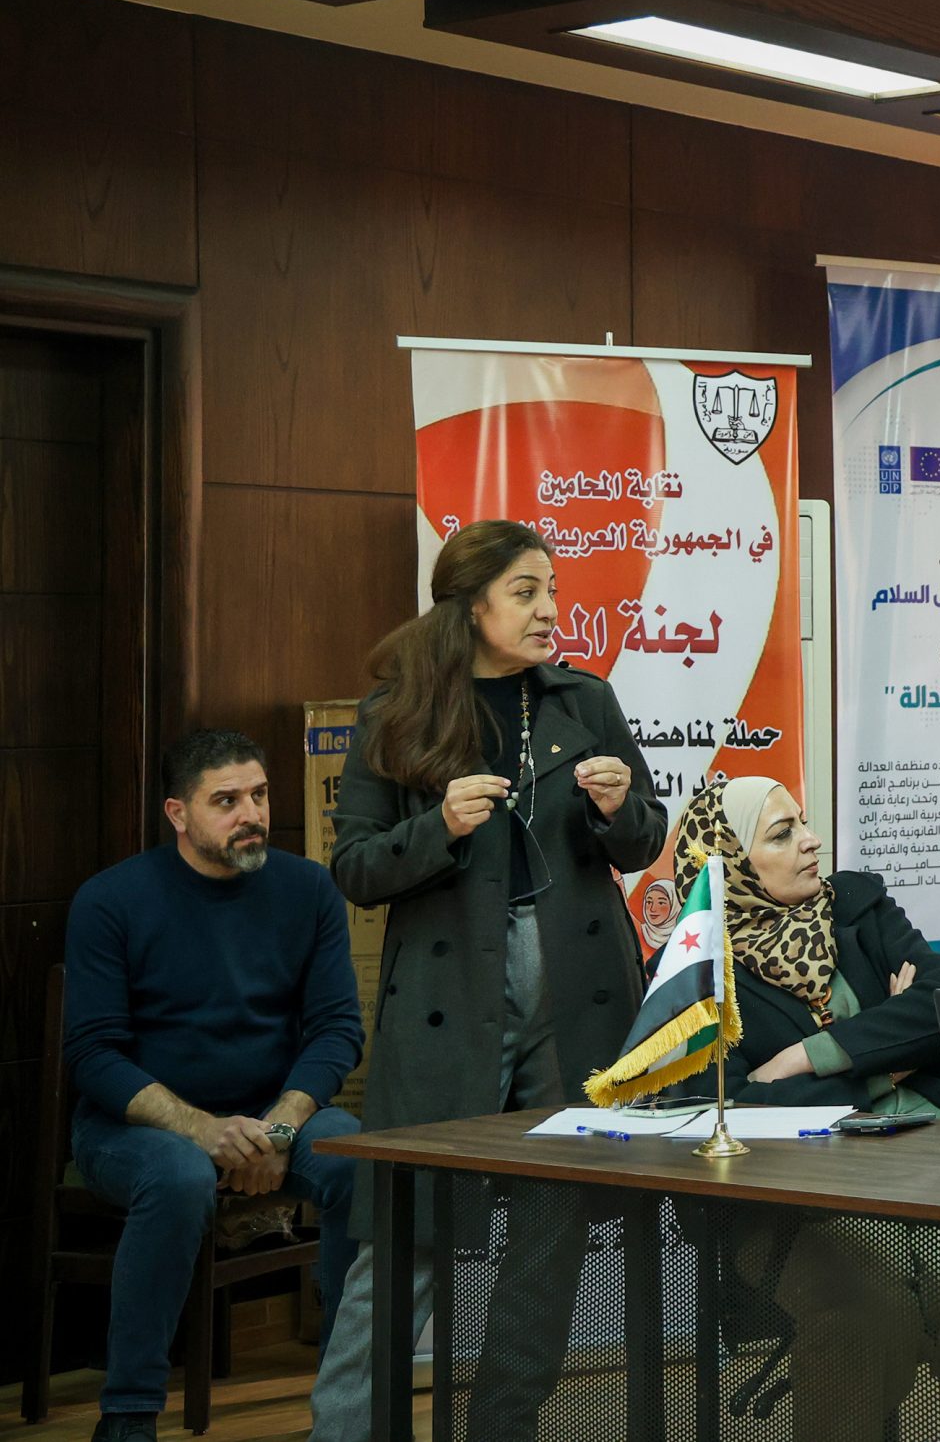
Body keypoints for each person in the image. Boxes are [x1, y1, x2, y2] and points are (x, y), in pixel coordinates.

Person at [305, 519, 667, 1442]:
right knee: (411, 1236)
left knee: (552, 1234)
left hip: (574, 996)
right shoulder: (397, 712)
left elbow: (644, 838)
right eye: (526, 592)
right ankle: (343, 1430)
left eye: (553, 590)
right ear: (471, 608)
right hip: (449, 1001)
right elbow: (353, 867)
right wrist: (441, 827)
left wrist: (620, 808)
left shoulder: (586, 698)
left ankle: (503, 1427)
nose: (550, 610)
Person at [674, 776, 940, 1442]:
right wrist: (886, 1052)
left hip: (939, 1164)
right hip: (804, 1198)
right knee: (865, 1313)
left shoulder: (856, 904)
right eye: (783, 833)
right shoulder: (698, 968)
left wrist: (809, 1056)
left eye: (803, 822)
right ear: (728, 862)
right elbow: (730, 1109)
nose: (811, 840)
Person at [61, 730, 365, 1442]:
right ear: (178, 813)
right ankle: (128, 1415)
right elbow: (94, 1054)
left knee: (359, 1157)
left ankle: (350, 1398)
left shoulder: (308, 888)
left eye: (259, 794)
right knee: (178, 1176)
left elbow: (337, 1029)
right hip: (133, 1127)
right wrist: (205, 1131)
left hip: (271, 1113)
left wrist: (280, 1128)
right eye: (226, 801)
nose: (251, 814)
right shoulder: (110, 899)